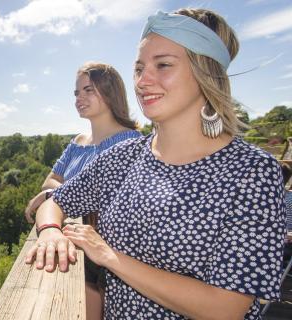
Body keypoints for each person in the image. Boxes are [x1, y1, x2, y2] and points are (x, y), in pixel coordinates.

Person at [26, 8, 286, 319]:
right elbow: (55, 202)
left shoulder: (252, 172)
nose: (142, 81)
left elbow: (225, 307)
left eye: (163, 65)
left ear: (206, 72)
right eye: (138, 68)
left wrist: (110, 256)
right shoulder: (122, 158)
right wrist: (52, 230)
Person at [24, 61, 140, 319]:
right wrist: (66, 193)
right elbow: (50, 180)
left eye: (88, 90)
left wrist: (56, 194)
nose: (79, 98)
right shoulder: (78, 142)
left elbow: (109, 201)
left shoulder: (130, 143)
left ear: (110, 92)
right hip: (77, 246)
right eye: (77, 93)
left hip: (111, 262)